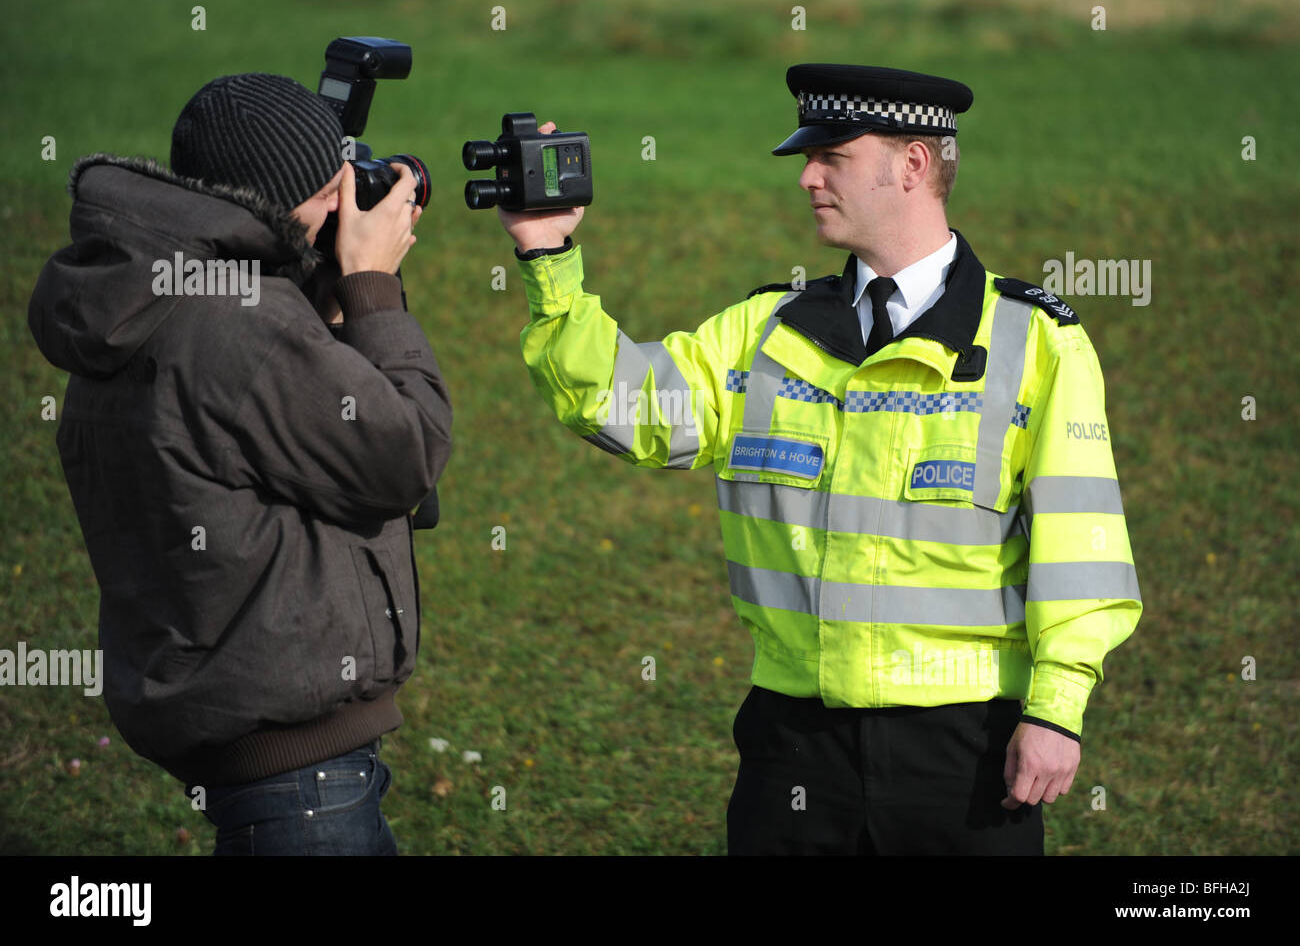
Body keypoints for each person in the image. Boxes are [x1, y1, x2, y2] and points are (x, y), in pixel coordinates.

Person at [495, 64, 1142, 854]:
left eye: (832, 156)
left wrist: (1054, 713)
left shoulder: (1037, 342)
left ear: (912, 165)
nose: (806, 177)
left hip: (966, 753)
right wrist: (548, 254)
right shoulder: (765, 331)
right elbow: (622, 409)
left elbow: (1084, 553)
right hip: (792, 744)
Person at [28, 73, 452, 855]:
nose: (346, 209)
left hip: (239, 732)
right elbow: (404, 461)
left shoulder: (142, 290)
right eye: (334, 189)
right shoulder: (240, 325)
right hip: (299, 778)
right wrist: (372, 287)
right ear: (285, 199)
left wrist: (319, 305)